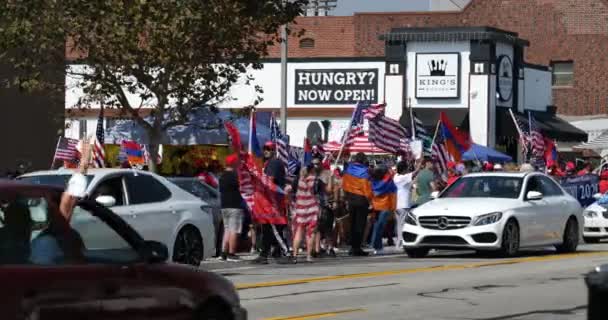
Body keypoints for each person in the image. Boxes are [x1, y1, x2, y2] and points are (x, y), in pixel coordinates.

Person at [251, 141, 288, 264]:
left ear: (273, 150)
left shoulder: (274, 163)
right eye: (265, 148)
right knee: (267, 229)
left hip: (274, 203)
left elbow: (269, 181)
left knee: (274, 229)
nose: (266, 151)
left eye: (269, 148)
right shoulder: (267, 163)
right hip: (267, 202)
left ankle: (285, 253)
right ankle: (265, 254)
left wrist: (256, 176)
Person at [342, 153, 372, 256]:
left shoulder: (348, 169)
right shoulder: (365, 171)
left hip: (351, 198)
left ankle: (352, 247)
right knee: (360, 225)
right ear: (363, 160)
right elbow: (366, 189)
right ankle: (357, 248)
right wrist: (371, 201)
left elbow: (344, 185)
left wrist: (346, 197)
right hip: (361, 200)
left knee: (352, 223)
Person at [291, 163, 321, 263]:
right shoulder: (316, 180)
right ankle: (308, 256)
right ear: (312, 170)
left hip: (300, 207)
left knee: (299, 232)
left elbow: (293, 193)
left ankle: (295, 256)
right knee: (310, 233)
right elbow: (319, 193)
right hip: (312, 207)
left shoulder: (297, 180)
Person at [218, 154, 245, 262]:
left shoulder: (222, 176)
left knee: (227, 229)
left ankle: (223, 253)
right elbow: (242, 187)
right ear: (234, 163)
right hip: (234, 205)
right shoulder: (234, 176)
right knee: (234, 229)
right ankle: (231, 253)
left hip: (224, 205)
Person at [370, 164, 397, 255]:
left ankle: (376, 245)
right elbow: (393, 194)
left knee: (376, 226)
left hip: (375, 206)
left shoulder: (372, 181)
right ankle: (377, 246)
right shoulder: (388, 181)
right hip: (385, 206)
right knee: (380, 227)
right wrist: (393, 208)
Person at [394, 161, 419, 247]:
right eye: (407, 168)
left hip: (398, 204)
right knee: (403, 224)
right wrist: (419, 164)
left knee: (399, 224)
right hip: (403, 204)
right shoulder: (402, 177)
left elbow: (410, 183)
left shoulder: (396, 177)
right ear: (404, 169)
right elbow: (415, 173)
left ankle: (399, 242)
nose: (408, 169)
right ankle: (401, 243)